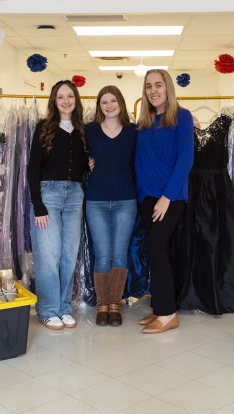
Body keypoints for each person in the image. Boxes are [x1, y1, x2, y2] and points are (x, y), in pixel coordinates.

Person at [135, 69, 194, 334]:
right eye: (148, 86)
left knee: (157, 249)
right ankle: (160, 307)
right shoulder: (144, 121)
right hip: (147, 198)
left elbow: (185, 160)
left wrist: (167, 197)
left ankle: (168, 314)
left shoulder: (182, 117)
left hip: (169, 198)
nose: (153, 90)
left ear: (168, 87)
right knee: (157, 251)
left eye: (158, 85)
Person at [28, 80, 87, 330]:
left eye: (70, 97)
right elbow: (32, 169)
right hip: (48, 194)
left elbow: (79, 167)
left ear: (76, 100)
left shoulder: (82, 129)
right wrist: (38, 206)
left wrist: (88, 165)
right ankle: (47, 309)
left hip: (75, 195)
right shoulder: (44, 128)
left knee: (68, 254)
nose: (66, 101)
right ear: (54, 100)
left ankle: (63, 307)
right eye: (61, 97)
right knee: (48, 255)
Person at [86, 85, 137, 327]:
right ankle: (102, 304)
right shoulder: (89, 131)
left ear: (121, 103)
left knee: (119, 254)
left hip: (126, 200)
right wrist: (87, 164)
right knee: (103, 254)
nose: (108, 106)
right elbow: (74, 157)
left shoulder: (133, 131)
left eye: (113, 101)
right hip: (96, 200)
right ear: (99, 106)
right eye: (104, 102)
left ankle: (115, 304)